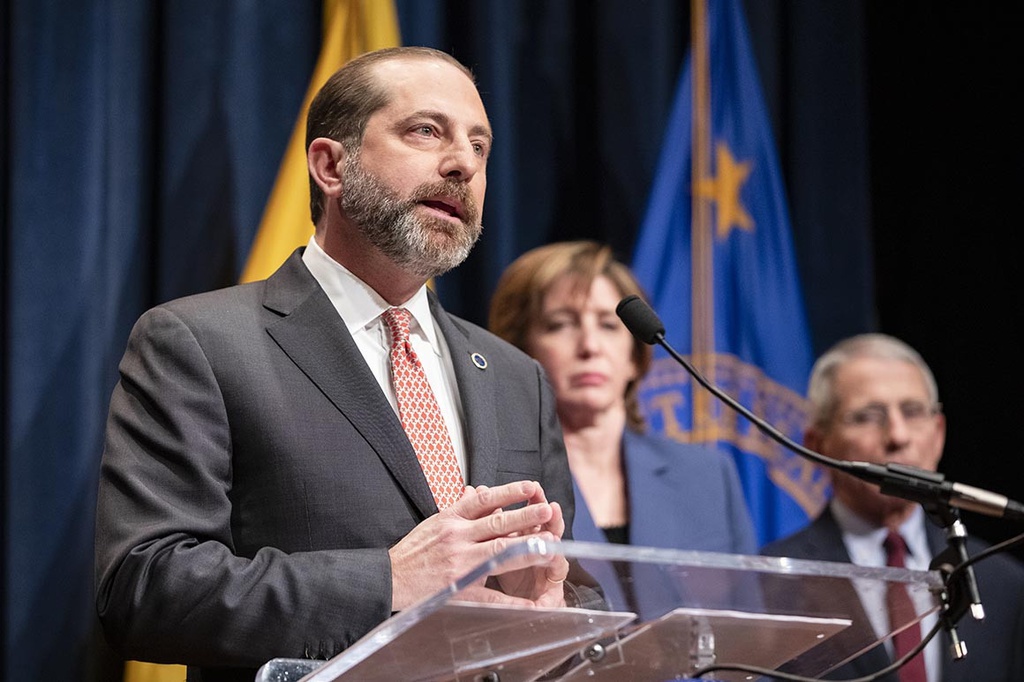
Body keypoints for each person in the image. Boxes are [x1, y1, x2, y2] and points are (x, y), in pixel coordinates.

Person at [94, 47, 593, 682]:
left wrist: (558, 613)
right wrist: (389, 581)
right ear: (330, 166)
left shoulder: (517, 377)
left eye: (479, 146)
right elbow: (143, 585)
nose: (463, 164)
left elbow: (576, 582)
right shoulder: (200, 343)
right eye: (426, 131)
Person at [761, 333, 1024, 681]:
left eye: (912, 412)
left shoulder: (1002, 582)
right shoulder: (772, 583)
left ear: (938, 433)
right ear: (817, 444)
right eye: (867, 416)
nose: (898, 436)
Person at [488, 240, 758, 556]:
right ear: (519, 351)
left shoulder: (708, 478)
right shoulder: (497, 482)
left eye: (608, 326)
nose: (590, 346)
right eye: (561, 325)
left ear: (634, 356)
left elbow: (743, 590)